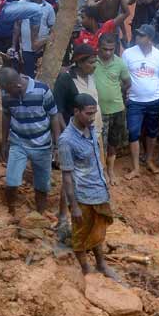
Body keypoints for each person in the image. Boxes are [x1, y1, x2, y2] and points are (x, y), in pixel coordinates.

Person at [59, 93, 118, 279]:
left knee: (97, 231)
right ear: (76, 112)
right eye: (88, 113)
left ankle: (101, 264)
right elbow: (66, 177)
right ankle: (86, 269)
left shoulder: (90, 128)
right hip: (82, 196)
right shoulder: (66, 141)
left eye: (94, 113)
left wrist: (105, 178)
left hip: (98, 191)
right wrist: (73, 206)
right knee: (81, 235)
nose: (92, 118)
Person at [0, 66, 61, 218]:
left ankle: (40, 214)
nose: (5, 93)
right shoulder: (6, 93)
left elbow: (54, 117)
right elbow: (6, 115)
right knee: (12, 181)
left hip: (42, 144)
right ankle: (11, 213)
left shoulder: (42, 90)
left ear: (16, 86)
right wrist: (4, 143)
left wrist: (57, 145)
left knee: (42, 184)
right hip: (18, 142)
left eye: (7, 90)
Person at [123, 25, 159, 179]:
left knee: (152, 132)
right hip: (135, 102)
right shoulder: (128, 54)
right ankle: (136, 167)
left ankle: (149, 160)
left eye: (141, 35)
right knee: (133, 132)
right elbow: (123, 77)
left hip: (154, 101)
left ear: (150, 39)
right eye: (137, 34)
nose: (137, 37)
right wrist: (124, 93)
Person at [94, 34, 130, 184]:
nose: (108, 53)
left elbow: (128, 82)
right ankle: (101, 171)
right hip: (98, 112)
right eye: (104, 49)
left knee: (113, 142)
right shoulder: (92, 62)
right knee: (100, 142)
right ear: (98, 48)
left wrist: (118, 91)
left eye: (111, 49)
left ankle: (110, 170)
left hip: (117, 109)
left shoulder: (120, 63)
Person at [54, 44, 102, 133]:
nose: (94, 65)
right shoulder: (66, 79)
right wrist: (68, 134)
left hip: (96, 132)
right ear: (79, 63)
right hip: (77, 135)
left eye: (95, 62)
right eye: (91, 62)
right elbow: (58, 112)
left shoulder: (91, 76)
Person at [15, 0, 56, 77]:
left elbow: (52, 28)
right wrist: (14, 46)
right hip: (26, 48)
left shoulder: (48, 8)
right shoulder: (21, 4)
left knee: (42, 74)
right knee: (29, 75)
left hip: (42, 49)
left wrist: (47, 43)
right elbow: (17, 26)